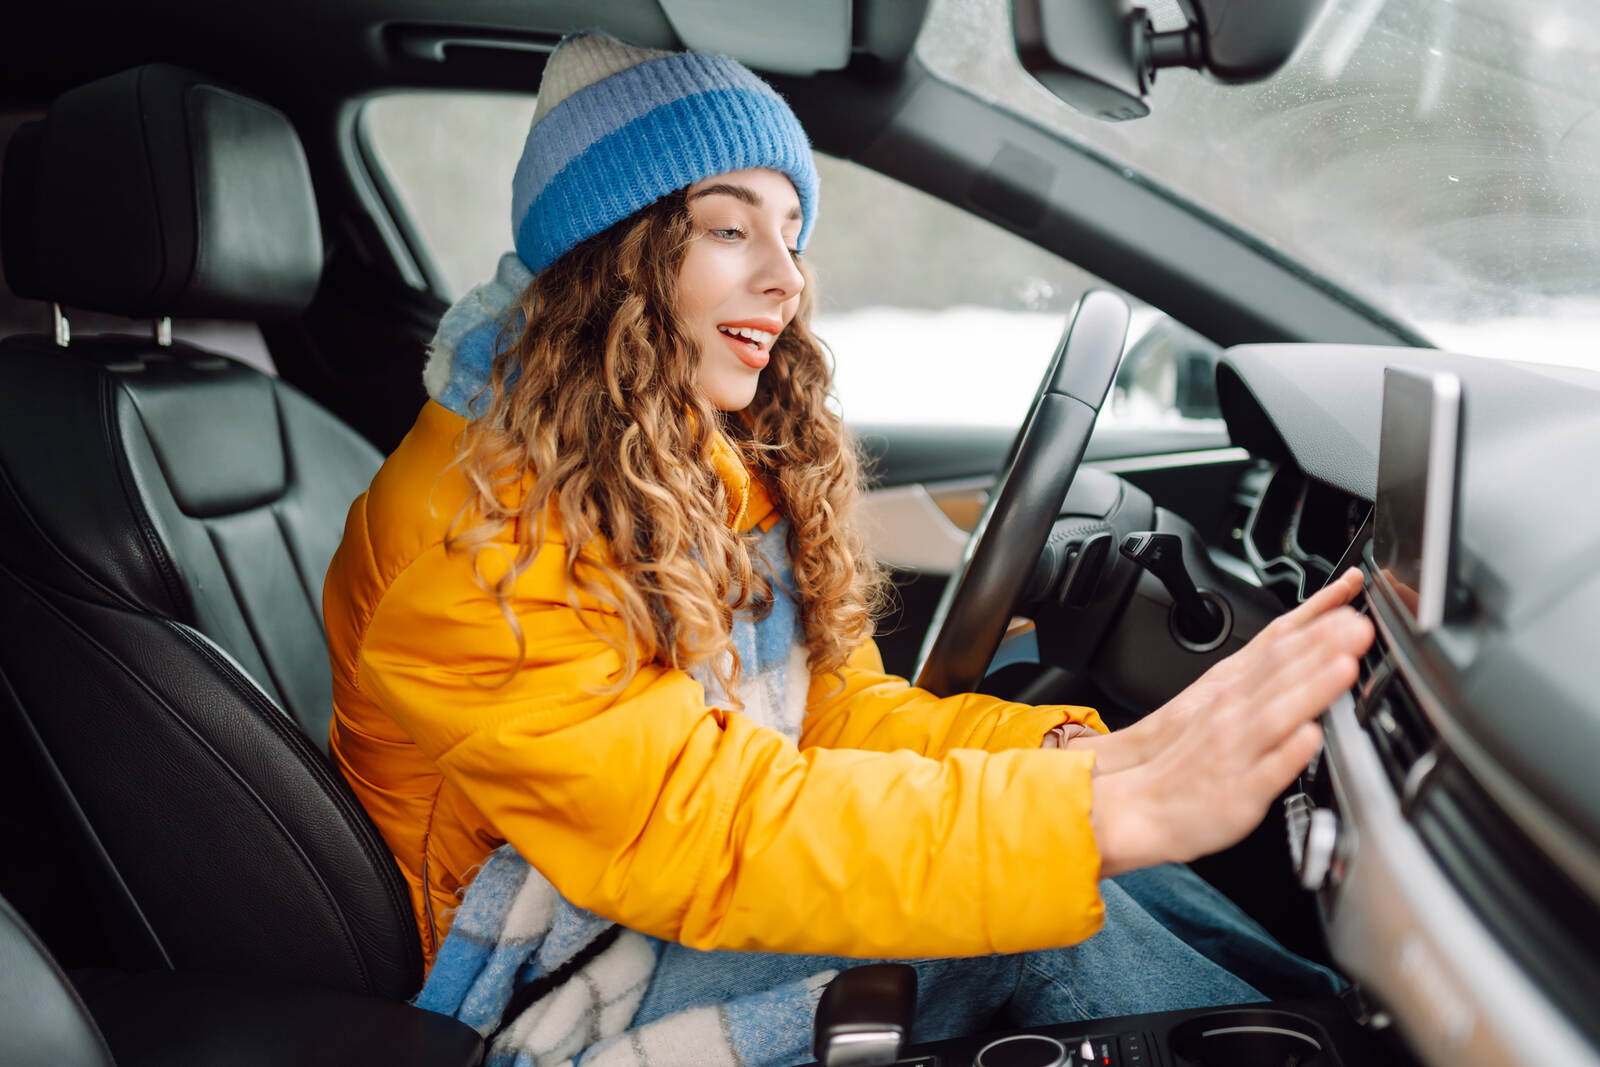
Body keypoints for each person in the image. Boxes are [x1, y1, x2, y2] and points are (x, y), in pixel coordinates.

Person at [323, 31, 1374, 1066]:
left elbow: (827, 714)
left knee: (1104, 853)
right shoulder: (475, 528)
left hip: (652, 883)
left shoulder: (689, 452)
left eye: (791, 233)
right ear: (614, 257)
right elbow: (698, 826)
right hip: (537, 971)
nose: (786, 278)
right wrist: (1101, 812)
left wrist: (1085, 760)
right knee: (1037, 903)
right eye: (729, 229)